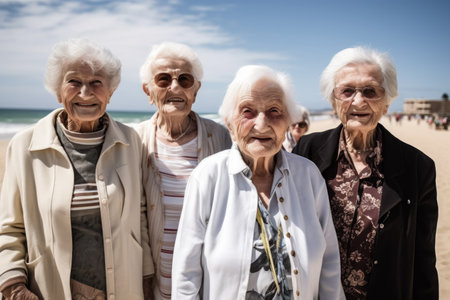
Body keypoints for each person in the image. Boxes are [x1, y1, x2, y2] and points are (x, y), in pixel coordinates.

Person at [172, 65, 344, 299]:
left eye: (274, 110)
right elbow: (186, 275)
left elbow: (329, 265)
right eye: (248, 111)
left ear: (288, 122)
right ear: (230, 124)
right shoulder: (207, 177)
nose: (262, 124)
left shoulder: (308, 175)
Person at [0, 38, 153, 299]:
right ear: (58, 90)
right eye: (74, 82)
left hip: (124, 289)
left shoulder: (131, 141)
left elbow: (139, 217)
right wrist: (12, 286)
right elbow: (10, 228)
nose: (85, 92)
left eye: (96, 83)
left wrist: (147, 280)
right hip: (51, 290)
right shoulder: (24, 146)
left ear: (110, 92)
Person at [292, 47, 439, 299]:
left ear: (386, 101)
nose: (358, 101)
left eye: (370, 91)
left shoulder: (418, 166)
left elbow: (423, 259)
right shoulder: (306, 151)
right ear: (332, 99)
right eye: (347, 91)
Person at [135, 42, 232, 300]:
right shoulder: (135, 140)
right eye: (163, 80)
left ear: (196, 90)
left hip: (208, 283)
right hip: (154, 281)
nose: (175, 88)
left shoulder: (220, 137)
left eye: (185, 79)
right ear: (148, 90)